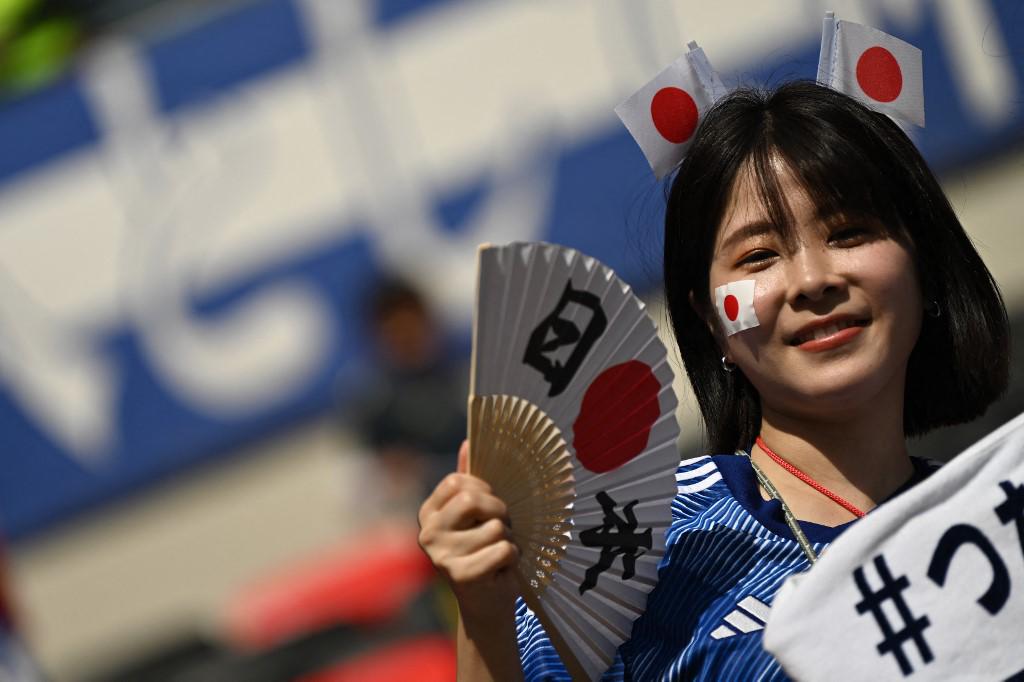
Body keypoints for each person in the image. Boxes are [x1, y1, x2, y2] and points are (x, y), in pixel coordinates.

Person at [417, 81, 1010, 680]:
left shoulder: (1000, 517)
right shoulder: (635, 543)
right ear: (708, 318)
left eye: (848, 232)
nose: (811, 280)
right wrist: (484, 615)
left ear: (924, 262)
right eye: (758, 256)